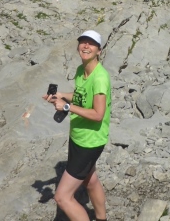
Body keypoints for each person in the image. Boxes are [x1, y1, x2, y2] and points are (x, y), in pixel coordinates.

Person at [43, 30, 111, 221]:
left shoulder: (100, 78)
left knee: (62, 197)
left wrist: (66, 106)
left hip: (90, 142)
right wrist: (61, 96)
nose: (86, 46)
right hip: (78, 137)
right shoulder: (82, 70)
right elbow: (80, 96)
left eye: (91, 43)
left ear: (99, 50)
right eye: (83, 42)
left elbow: (98, 114)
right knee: (90, 180)